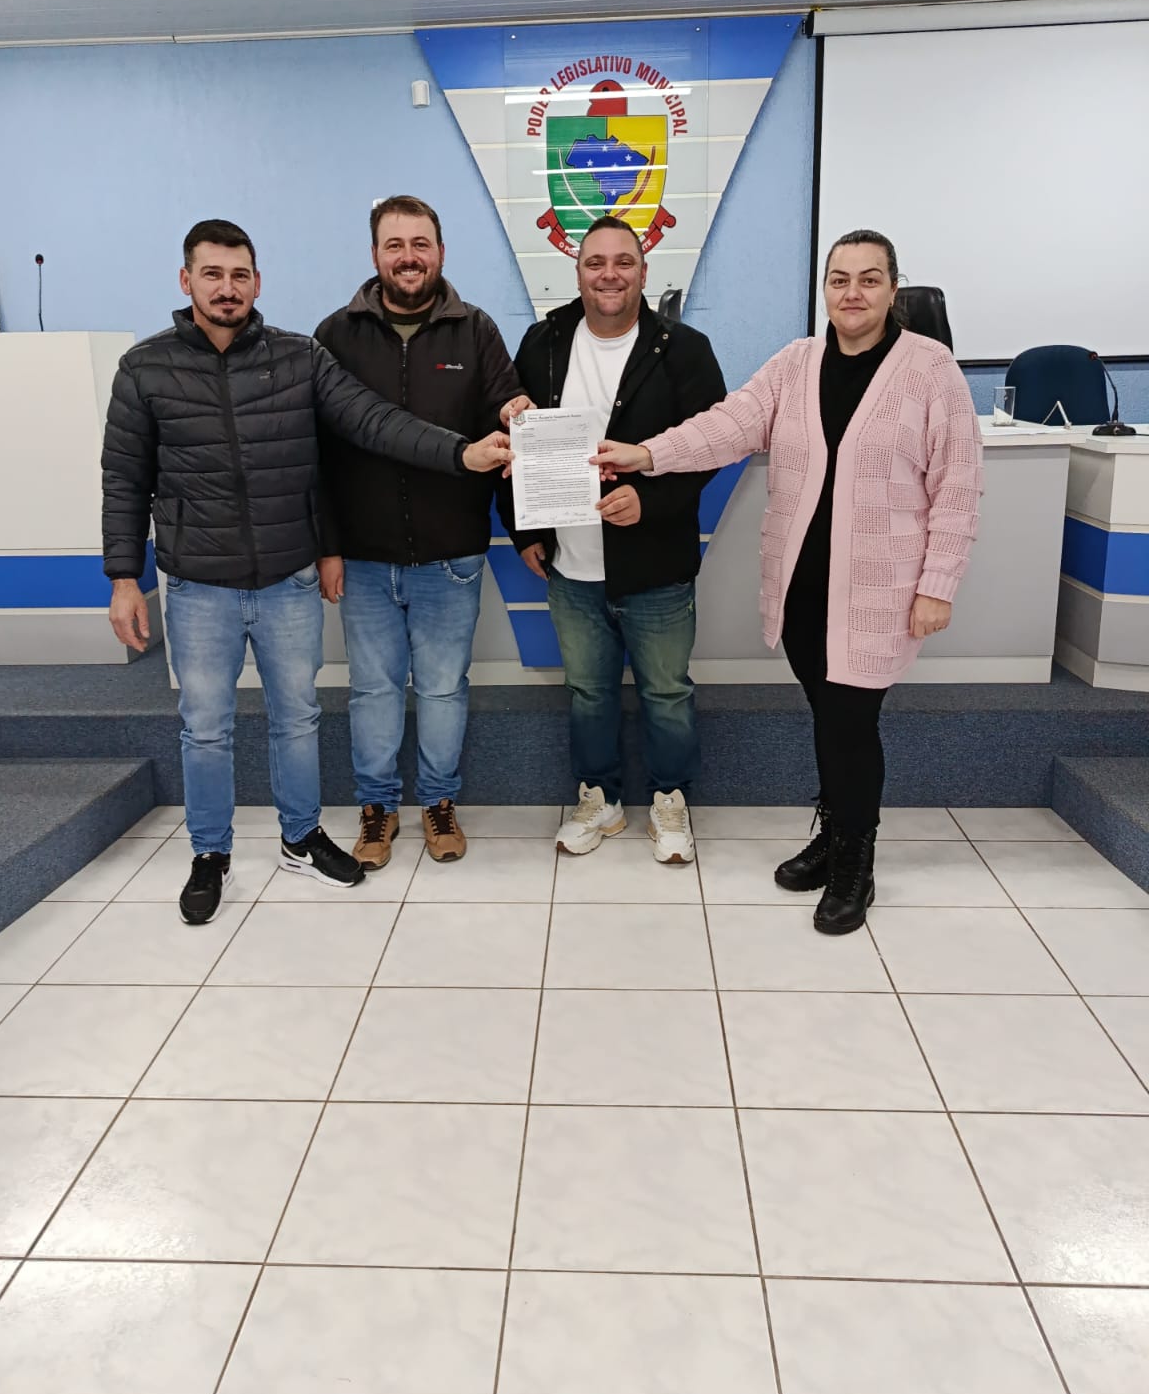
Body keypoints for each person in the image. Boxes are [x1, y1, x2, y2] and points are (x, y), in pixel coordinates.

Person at [103, 218, 511, 926]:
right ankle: (210, 854)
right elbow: (124, 478)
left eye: (239, 275)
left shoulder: (300, 357)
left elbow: (373, 421)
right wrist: (122, 578)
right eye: (212, 274)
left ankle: (300, 838)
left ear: (258, 283)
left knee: (297, 719)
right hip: (197, 585)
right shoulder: (145, 367)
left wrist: (461, 454)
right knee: (205, 728)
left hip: (288, 579)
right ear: (186, 280)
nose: (227, 288)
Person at [596, 229, 983, 933]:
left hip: (879, 590)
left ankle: (855, 861)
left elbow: (957, 488)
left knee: (851, 724)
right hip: (803, 584)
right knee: (827, 716)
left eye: (869, 279)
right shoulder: (796, 363)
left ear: (894, 289)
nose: (853, 293)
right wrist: (646, 454)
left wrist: (938, 585)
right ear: (824, 289)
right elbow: (727, 426)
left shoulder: (931, 370)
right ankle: (833, 833)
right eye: (839, 279)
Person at [498, 215, 726, 864]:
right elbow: (517, 438)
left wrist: (650, 501)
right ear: (577, 272)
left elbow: (710, 448)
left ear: (644, 271)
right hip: (570, 565)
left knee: (667, 693)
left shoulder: (684, 349)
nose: (609, 274)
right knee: (588, 693)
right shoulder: (542, 342)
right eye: (595, 262)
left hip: (656, 566)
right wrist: (524, 531)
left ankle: (670, 801)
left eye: (623, 262)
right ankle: (599, 798)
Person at [313, 195, 521, 868]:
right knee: (373, 690)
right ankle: (376, 809)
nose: (409, 257)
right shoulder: (334, 335)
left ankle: (438, 801)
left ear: (441, 251)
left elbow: (505, 406)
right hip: (364, 558)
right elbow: (317, 452)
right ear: (375, 254)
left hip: (451, 556)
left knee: (442, 688)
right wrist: (327, 545)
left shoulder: (476, 330)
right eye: (395, 244)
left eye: (421, 244)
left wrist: (517, 410)